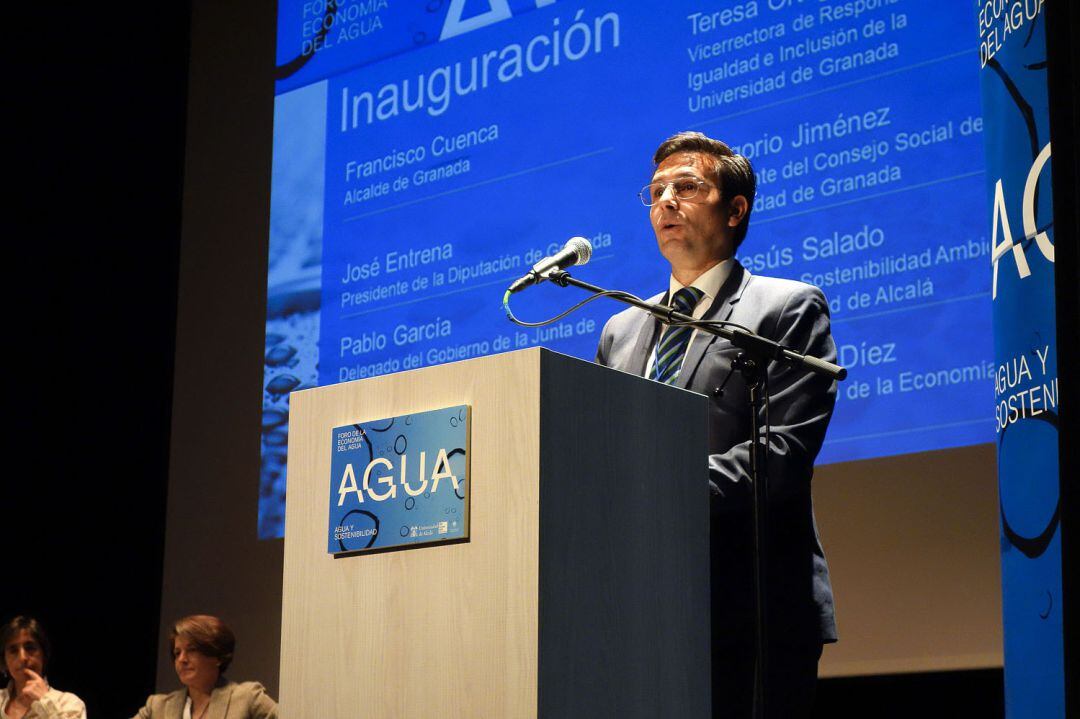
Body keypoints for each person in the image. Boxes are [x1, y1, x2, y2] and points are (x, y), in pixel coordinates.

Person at [596, 131, 837, 718]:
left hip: (749, 605)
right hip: (639, 608)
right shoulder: (619, 332)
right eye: (656, 191)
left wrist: (654, 490)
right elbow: (598, 455)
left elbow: (778, 456)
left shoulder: (784, 308)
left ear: (736, 208)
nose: (666, 202)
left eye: (687, 187)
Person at [130, 616, 277, 719]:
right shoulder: (157, 707)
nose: (182, 659)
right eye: (177, 653)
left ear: (217, 656)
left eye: (192, 650)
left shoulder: (248, 698)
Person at [0, 616, 86, 719]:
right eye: (13, 651)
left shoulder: (68, 703)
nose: (22, 658)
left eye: (30, 648)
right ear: (4, 661)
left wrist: (45, 701)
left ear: (43, 655)